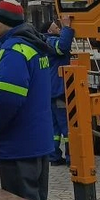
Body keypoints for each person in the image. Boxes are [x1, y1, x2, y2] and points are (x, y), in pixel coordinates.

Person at [0, 0, 55, 200]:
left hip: (17, 146)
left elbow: (5, 101)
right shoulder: (35, 46)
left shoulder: (14, 51)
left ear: (3, 21)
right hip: (37, 143)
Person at [43, 15, 75, 166]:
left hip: (52, 90)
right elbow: (62, 47)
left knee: (54, 128)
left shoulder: (45, 41)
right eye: (57, 27)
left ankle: (54, 156)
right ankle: (72, 157)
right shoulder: (50, 41)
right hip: (58, 90)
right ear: (49, 30)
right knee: (67, 126)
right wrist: (68, 27)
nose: (59, 28)